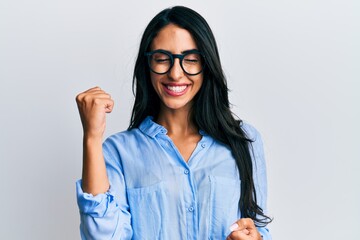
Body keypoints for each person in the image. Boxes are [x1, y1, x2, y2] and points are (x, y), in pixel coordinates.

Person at [76, 6, 272, 240]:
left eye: (190, 59)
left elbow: (260, 228)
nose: (176, 74)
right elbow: (102, 236)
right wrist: (91, 137)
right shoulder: (118, 152)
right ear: (147, 66)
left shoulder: (245, 141)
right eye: (161, 59)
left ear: (206, 65)